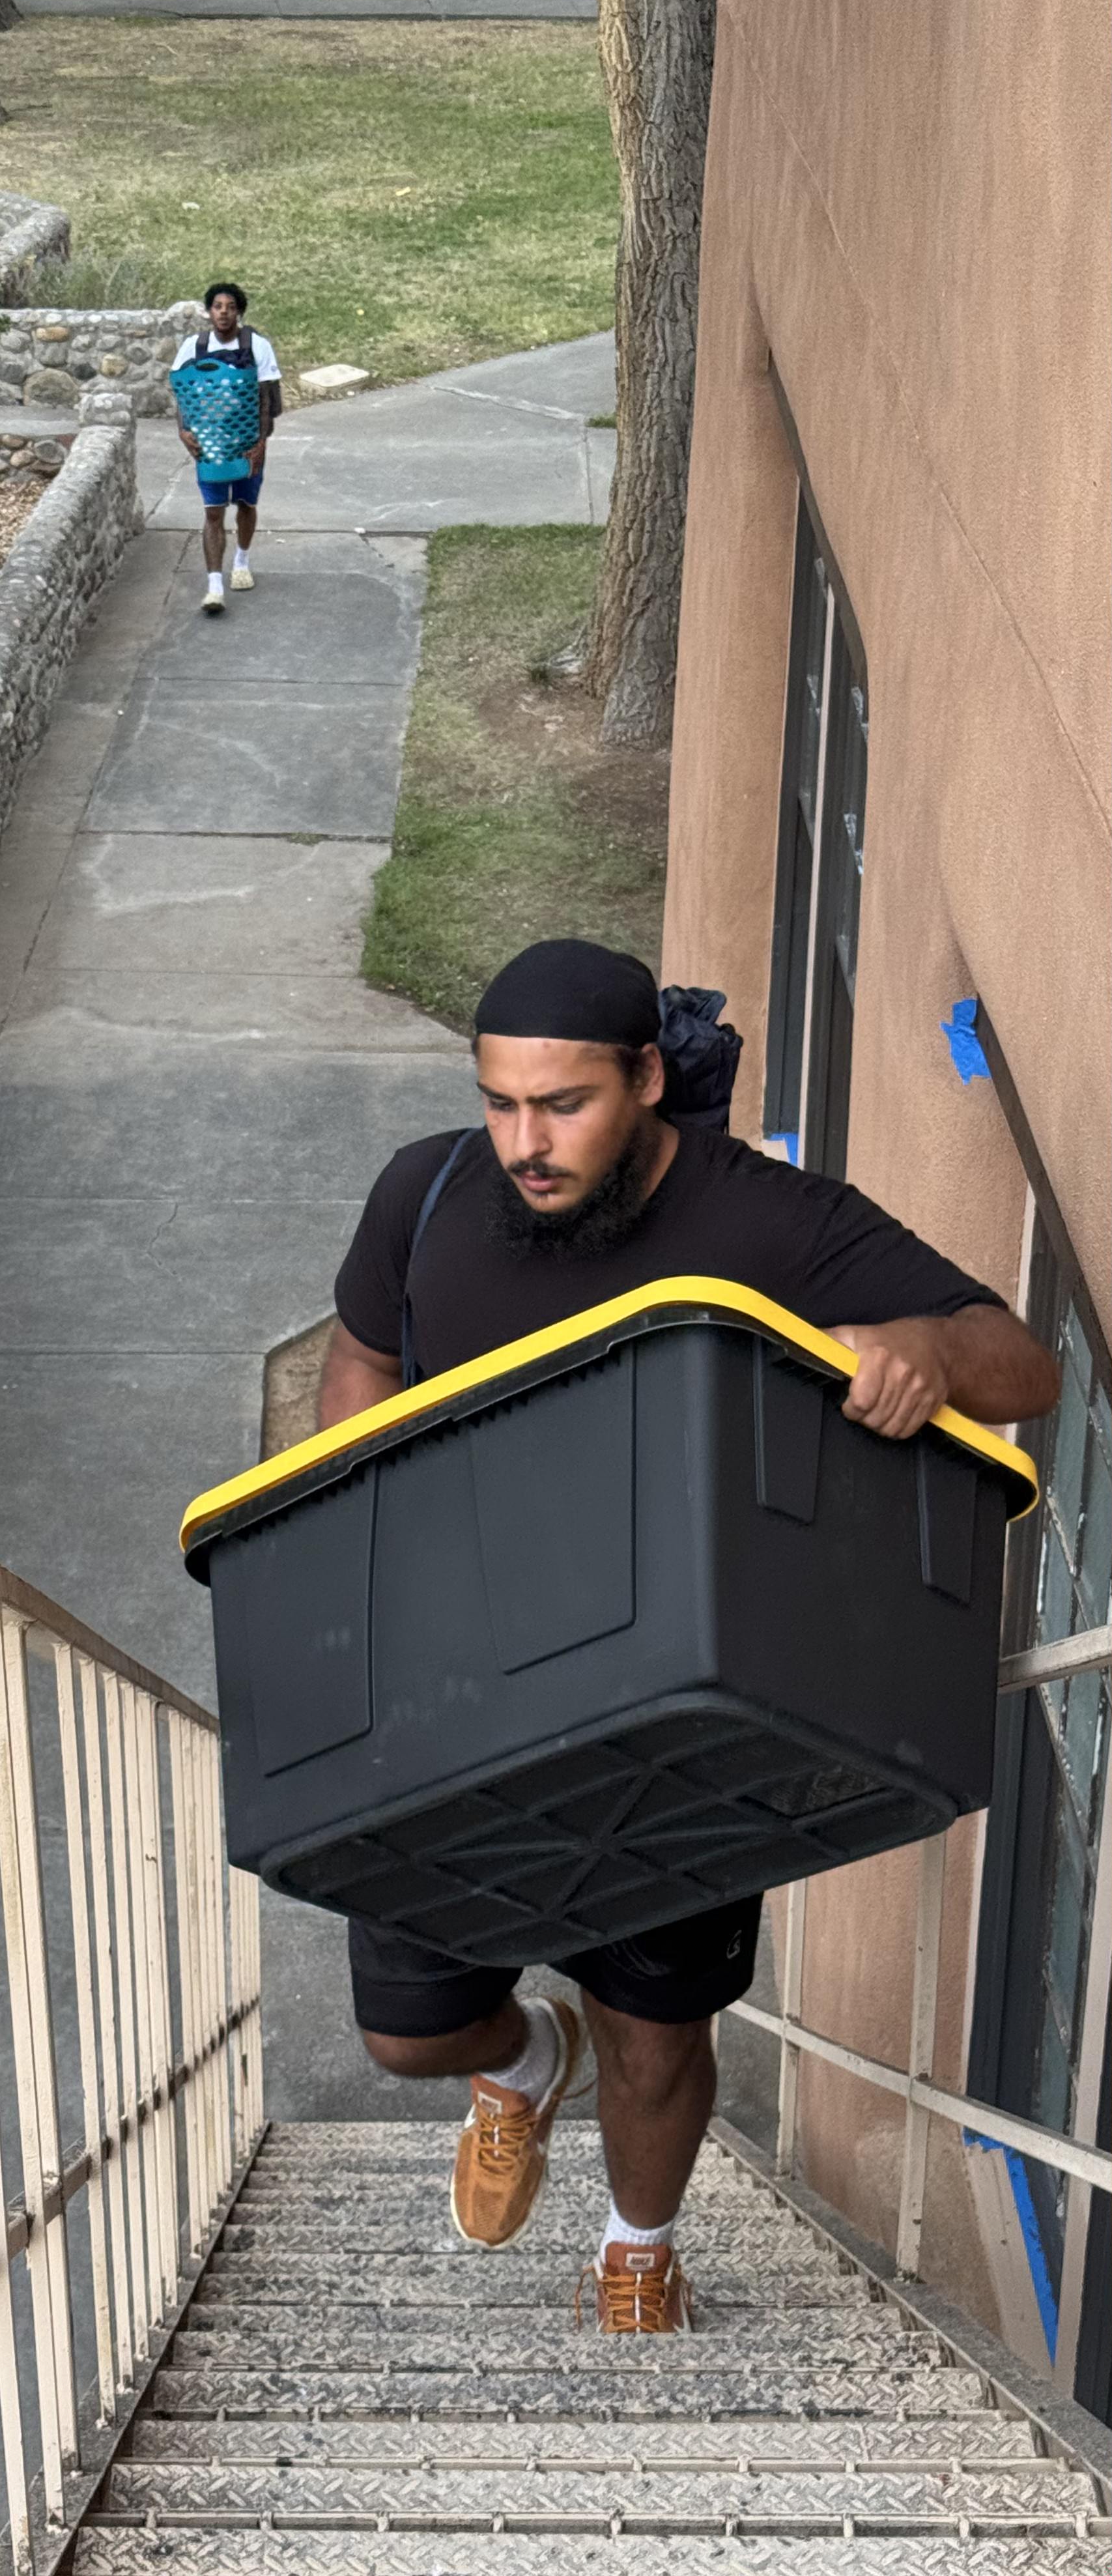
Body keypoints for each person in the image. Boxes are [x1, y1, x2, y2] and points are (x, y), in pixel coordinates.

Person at [320, 937, 1058, 2336]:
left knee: (656, 2034)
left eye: (564, 1105)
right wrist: (350, 1499)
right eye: (501, 1103)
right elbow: (362, 1349)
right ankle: (523, 2064)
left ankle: (637, 2255)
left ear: (648, 1078)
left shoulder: (769, 1224)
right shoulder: (425, 1194)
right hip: (452, 1684)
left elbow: (1022, 1360)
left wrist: (927, 1353)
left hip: (677, 1704)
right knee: (407, 2031)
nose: (525, 1145)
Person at [172, 281, 282, 615]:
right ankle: (215, 587)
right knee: (213, 512)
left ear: (239, 312)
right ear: (209, 312)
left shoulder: (257, 346)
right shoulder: (194, 347)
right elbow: (181, 392)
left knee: (246, 504)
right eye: (218, 307)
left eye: (231, 307)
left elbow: (267, 400)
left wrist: (261, 443)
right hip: (209, 443)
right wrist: (183, 432)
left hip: (248, 442)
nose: (224, 313)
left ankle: (242, 562)